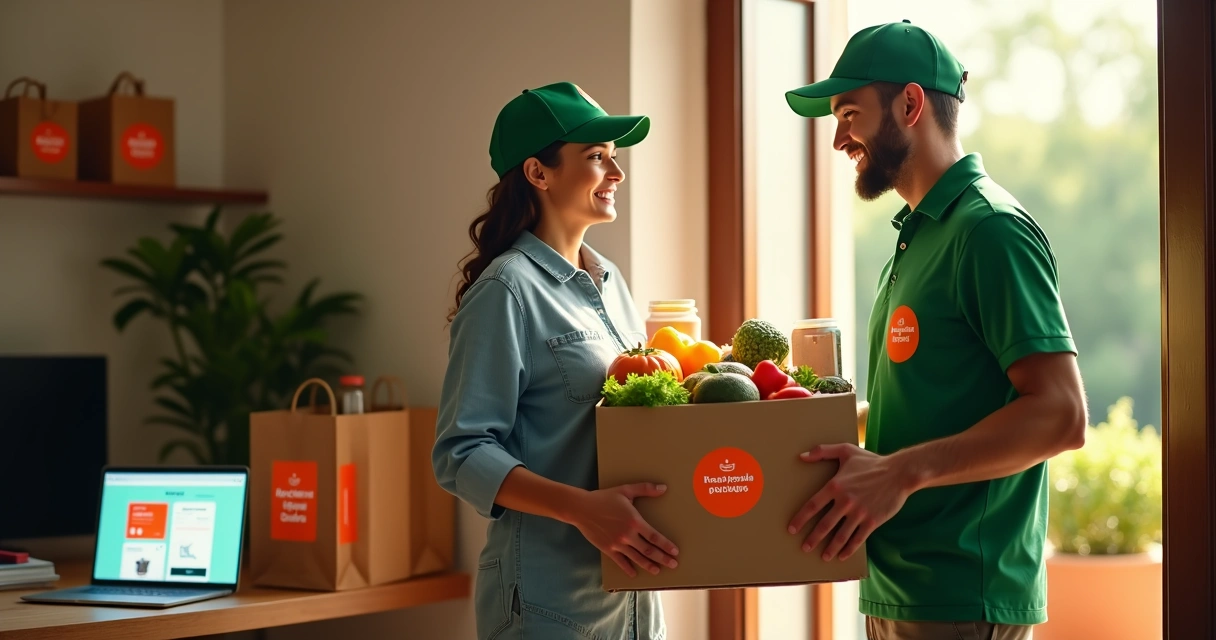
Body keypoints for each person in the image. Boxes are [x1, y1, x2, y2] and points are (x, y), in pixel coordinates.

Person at [782, 21, 1089, 640]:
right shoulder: (917, 235)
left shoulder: (990, 231)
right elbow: (928, 404)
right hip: (898, 590)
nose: (839, 138)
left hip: (963, 599)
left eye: (849, 113)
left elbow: (1061, 414)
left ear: (911, 104)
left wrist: (899, 472)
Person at [433, 81, 675, 640]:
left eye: (614, 159)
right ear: (538, 174)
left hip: (632, 599)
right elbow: (460, 453)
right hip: (545, 606)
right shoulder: (505, 291)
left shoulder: (611, 281)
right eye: (596, 158)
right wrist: (584, 510)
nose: (616, 174)